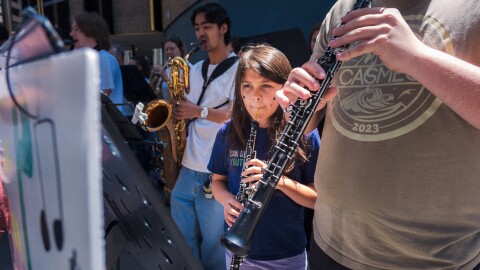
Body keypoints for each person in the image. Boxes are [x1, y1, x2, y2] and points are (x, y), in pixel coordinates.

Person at [276, 0, 480, 269]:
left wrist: (416, 57)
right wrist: (298, 101)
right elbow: (312, 117)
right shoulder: (343, 9)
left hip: (434, 259)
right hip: (330, 245)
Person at [208, 44, 319, 269]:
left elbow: (317, 198)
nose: (255, 96)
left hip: (285, 254)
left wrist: (277, 180)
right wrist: (226, 200)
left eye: (266, 86)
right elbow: (217, 181)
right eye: (246, 85)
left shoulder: (304, 134)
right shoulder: (228, 132)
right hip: (238, 251)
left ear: (285, 88)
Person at [169, 3, 239, 270]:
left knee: (213, 246)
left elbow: (240, 117)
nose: (200, 33)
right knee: (183, 238)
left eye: (206, 27)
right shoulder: (195, 68)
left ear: (223, 28)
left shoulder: (239, 68)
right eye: (197, 28)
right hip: (188, 167)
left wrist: (199, 111)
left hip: (216, 171)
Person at [70, 12, 125, 112]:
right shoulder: (92, 59)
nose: (71, 34)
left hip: (107, 125)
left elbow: (103, 95)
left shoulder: (103, 58)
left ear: (91, 32)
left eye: (76, 29)